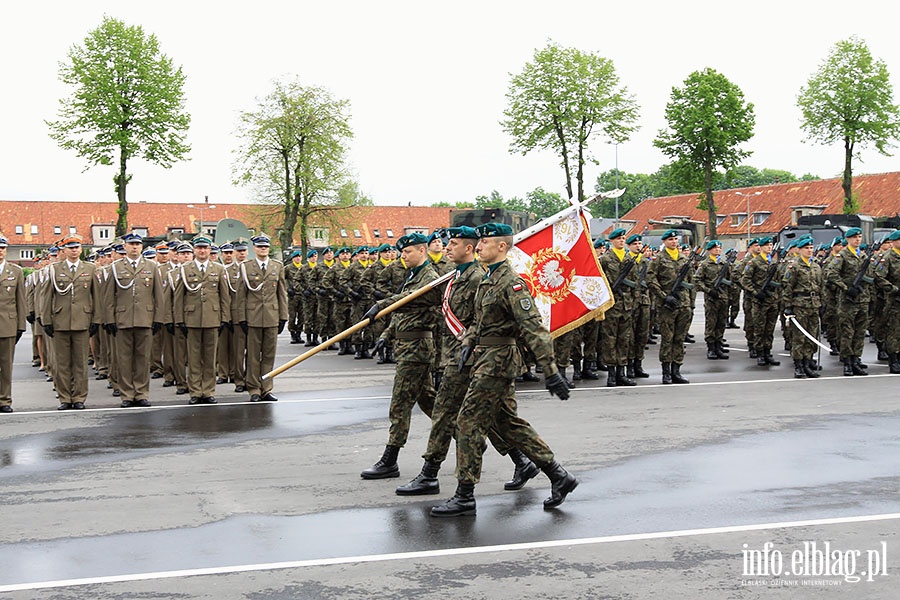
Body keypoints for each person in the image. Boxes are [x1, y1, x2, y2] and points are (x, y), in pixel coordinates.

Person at [430, 222, 577, 517]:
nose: (479, 246)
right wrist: (468, 344)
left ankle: (465, 495)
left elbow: (533, 327)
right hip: (484, 357)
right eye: (479, 242)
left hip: (498, 361)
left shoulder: (512, 282)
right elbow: (480, 322)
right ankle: (559, 476)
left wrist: (550, 370)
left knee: (467, 422)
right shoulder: (488, 280)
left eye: (485, 242)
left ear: (502, 247)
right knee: (508, 424)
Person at [394, 226, 540, 496]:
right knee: (489, 418)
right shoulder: (456, 276)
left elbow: (485, 320)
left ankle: (431, 475)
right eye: (448, 244)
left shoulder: (476, 277)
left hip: (471, 358)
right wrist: (383, 308)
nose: (447, 247)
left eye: (454, 244)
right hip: (457, 355)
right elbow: (422, 300)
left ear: (470, 248)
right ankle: (524, 461)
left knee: (445, 415)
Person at [360, 232, 440, 480]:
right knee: (433, 406)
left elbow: (406, 301)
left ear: (422, 251)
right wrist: (387, 333)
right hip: (407, 346)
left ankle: (390, 459)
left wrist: (381, 306)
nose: (402, 256)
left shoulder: (430, 278)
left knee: (400, 403)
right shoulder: (413, 275)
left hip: (417, 348)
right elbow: (403, 313)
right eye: (402, 252)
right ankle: (484, 444)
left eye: (407, 252)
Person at [103, 232, 163, 408]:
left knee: (143, 359)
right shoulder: (115, 267)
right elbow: (108, 297)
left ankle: (142, 393)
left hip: (145, 318)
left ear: (142, 246)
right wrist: (109, 319)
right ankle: (127, 395)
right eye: (131, 244)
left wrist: (158, 318)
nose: (135, 247)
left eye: (138, 244)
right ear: (125, 247)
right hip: (123, 318)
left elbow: (158, 295)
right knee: (124, 359)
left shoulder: (152, 267)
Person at [40, 234, 99, 410]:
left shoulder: (90, 268)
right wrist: (46, 320)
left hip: (82, 321)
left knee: (80, 362)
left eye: (77, 247)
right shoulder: (54, 269)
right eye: (70, 247)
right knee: (62, 363)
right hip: (60, 321)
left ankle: (79, 397)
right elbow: (46, 296)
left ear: (81, 249)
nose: (74, 250)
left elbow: (96, 297)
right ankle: (65, 398)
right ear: (64, 251)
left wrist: (96, 319)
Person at [172, 235, 231, 404]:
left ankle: (209, 391)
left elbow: (224, 297)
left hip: (213, 318)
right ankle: (195, 392)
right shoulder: (185, 269)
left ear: (210, 250)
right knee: (194, 358)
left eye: (205, 248)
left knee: (211, 358)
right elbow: (178, 297)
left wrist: (224, 319)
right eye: (199, 248)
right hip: (192, 318)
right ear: (194, 250)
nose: (202, 251)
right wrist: (179, 320)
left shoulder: (219, 269)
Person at [236, 234, 288, 402]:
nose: (263, 249)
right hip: (253, 316)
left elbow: (282, 293)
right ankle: (253, 389)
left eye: (265, 246)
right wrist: (242, 318)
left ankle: (266, 388)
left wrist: (283, 317)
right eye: (260, 246)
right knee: (252, 355)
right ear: (254, 249)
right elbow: (241, 296)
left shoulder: (277, 266)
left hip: (272, 316)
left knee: (268, 355)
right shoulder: (246, 267)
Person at [824, 227, 873, 376]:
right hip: (847, 300)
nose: (858, 239)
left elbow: (870, 276)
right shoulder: (842, 256)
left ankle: (855, 359)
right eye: (855, 237)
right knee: (847, 332)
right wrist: (846, 288)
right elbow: (831, 274)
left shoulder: (864, 256)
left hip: (862, 299)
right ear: (848, 239)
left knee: (859, 332)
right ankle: (846, 362)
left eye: (859, 237)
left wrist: (863, 286)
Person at [647, 230, 692, 384]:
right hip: (667, 305)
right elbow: (651, 280)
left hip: (683, 303)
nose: (674, 242)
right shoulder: (658, 259)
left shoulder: (684, 258)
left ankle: (676, 370)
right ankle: (666, 372)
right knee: (667, 339)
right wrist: (664, 296)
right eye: (671, 239)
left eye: (675, 239)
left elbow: (690, 282)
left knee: (679, 339)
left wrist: (689, 302)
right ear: (664, 242)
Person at [781, 236, 823, 378]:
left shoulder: (816, 266)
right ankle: (798, 366)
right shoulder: (794, 266)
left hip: (814, 304)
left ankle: (807, 363)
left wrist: (822, 303)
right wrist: (788, 306)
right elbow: (787, 287)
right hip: (799, 305)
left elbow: (820, 286)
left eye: (811, 248)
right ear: (799, 250)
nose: (810, 250)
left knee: (812, 336)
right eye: (806, 248)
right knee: (799, 337)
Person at [599, 228, 636, 386]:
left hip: (626, 304)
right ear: (612, 241)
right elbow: (599, 280)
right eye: (619, 238)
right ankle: (612, 374)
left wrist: (633, 301)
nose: (622, 241)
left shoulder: (629, 258)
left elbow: (634, 282)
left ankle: (622, 372)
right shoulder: (605, 259)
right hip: (612, 304)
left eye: (623, 238)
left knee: (624, 339)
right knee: (610, 339)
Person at [742, 237, 782, 368]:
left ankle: (768, 352)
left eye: (771, 245)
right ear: (761, 247)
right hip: (759, 301)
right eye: (767, 245)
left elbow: (779, 280)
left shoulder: (774, 262)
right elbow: (745, 280)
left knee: (769, 329)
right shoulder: (754, 262)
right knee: (759, 329)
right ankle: (759, 353)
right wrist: (755, 292)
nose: (769, 248)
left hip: (772, 300)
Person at [0, 236, 26, 413]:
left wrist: (20, 326)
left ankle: (4, 400)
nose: (0, 251)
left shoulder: (15, 271)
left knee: (6, 365)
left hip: (7, 324)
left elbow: (21, 301)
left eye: (2, 248)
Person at [695, 240, 730, 360]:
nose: (718, 250)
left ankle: (718, 346)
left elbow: (730, 280)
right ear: (710, 250)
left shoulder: (724, 264)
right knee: (711, 323)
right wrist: (709, 290)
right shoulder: (705, 264)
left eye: (719, 248)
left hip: (723, 298)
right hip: (711, 299)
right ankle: (711, 348)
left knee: (721, 323)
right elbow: (697, 280)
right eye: (715, 248)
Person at [874, 229, 900, 374]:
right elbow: (878, 277)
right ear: (894, 242)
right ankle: (893, 359)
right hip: (894, 300)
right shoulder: (888, 257)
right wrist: (893, 289)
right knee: (893, 331)